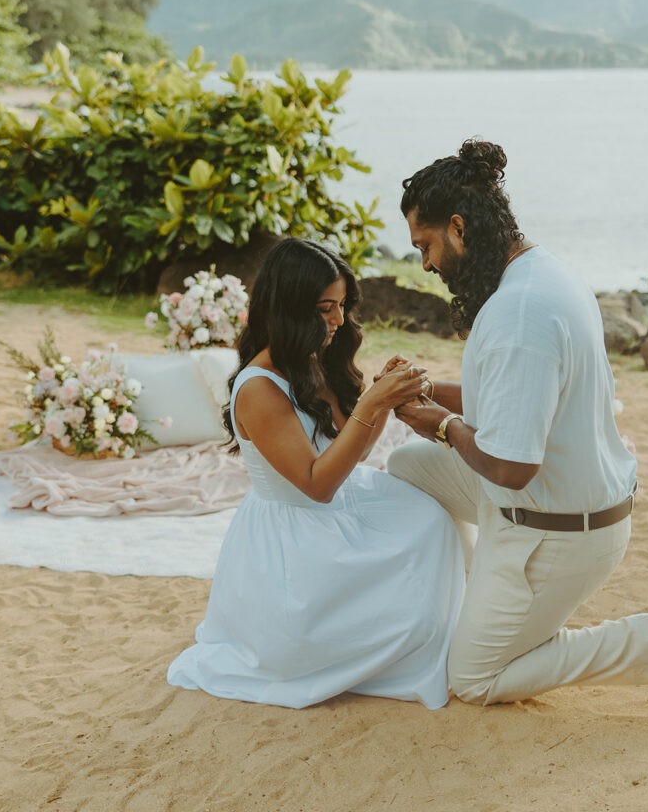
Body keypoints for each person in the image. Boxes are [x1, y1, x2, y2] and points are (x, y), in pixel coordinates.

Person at [389, 138, 648, 717]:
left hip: (556, 530)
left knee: (472, 677)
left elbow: (514, 469)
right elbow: (521, 400)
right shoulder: (544, 273)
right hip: (567, 501)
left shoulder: (519, 314)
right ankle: (469, 593)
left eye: (426, 245)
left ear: (459, 228)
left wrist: (442, 424)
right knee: (404, 467)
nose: (426, 264)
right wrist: (424, 392)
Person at [167, 238, 464, 710]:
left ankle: (430, 637)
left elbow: (352, 455)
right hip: (295, 531)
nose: (339, 320)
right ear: (289, 307)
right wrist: (372, 402)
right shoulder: (260, 388)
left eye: (342, 305)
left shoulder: (310, 362)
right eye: (327, 307)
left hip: (341, 501)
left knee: (430, 522)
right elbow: (317, 483)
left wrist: (380, 401)